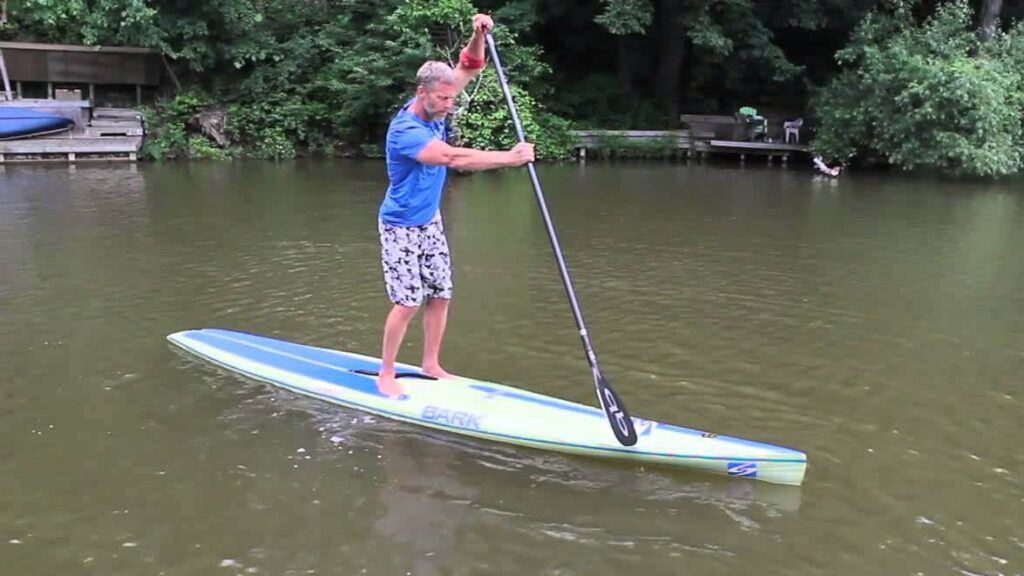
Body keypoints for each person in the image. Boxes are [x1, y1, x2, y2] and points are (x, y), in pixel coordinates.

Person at [376, 13, 535, 398]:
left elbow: (469, 64)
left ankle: (431, 364)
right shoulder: (406, 132)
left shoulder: (440, 101)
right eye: (443, 98)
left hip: (429, 220)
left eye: (452, 97)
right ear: (421, 93)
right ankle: (386, 373)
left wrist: (477, 34)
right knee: (408, 301)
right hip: (400, 225)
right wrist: (509, 158)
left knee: (441, 292)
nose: (450, 104)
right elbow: (452, 159)